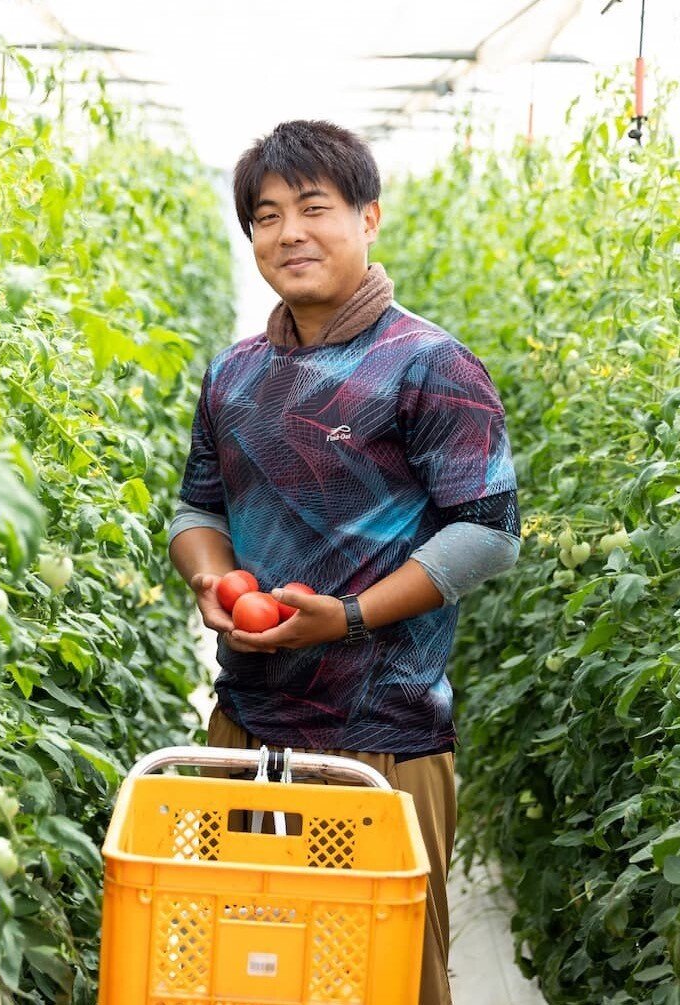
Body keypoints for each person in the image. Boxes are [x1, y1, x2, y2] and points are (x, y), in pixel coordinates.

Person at [167, 119, 521, 1005]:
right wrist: (213, 580)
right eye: (266, 215)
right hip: (245, 730)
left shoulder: (430, 366)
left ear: (369, 217)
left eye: (314, 208)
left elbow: (487, 531)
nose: (289, 233)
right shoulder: (235, 373)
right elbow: (198, 508)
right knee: (243, 968)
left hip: (384, 745)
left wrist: (353, 615)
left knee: (383, 972)